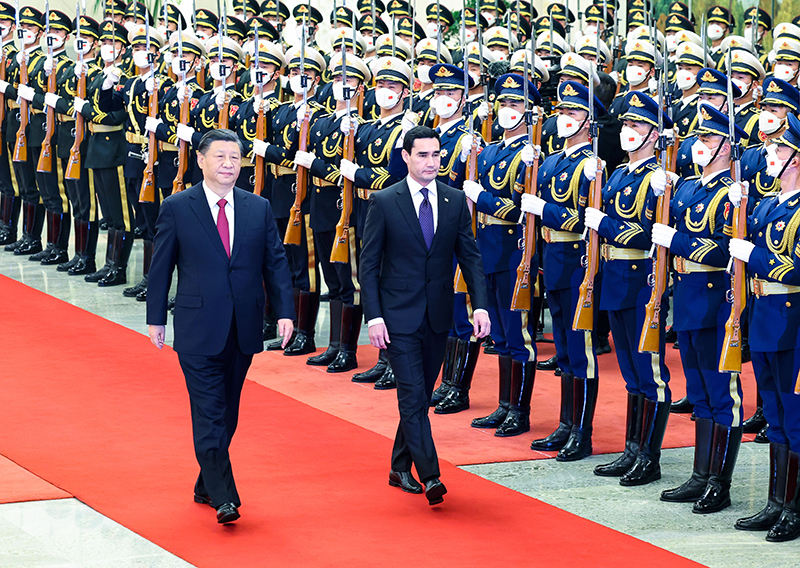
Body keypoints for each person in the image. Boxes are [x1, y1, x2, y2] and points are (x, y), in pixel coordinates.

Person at [146, 129, 295, 524]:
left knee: (228, 413)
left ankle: (205, 484)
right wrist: (156, 318)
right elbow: (161, 268)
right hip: (197, 327)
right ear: (201, 160)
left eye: (235, 157)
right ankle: (225, 497)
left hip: (243, 327)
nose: (228, 164)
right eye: (220, 157)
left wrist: (285, 311)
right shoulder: (178, 207)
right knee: (210, 412)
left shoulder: (258, 207)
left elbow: (275, 262)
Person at [360, 126, 490, 506]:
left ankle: (399, 466)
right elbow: (368, 265)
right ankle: (430, 474)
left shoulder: (454, 200)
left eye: (436, 155)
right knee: (413, 394)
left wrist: (480, 306)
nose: (431, 162)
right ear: (406, 157)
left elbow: (470, 258)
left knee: (419, 396)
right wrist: (374, 317)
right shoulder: (384, 201)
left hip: (437, 316)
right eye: (422, 155)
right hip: (396, 318)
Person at [731, 113, 800, 542]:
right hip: (763, 315)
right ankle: (777, 501)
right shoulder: (767, 204)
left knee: (795, 418)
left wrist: (752, 256)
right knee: (774, 415)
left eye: (779, 148)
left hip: (792, 321)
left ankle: (794, 508)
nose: (770, 154)